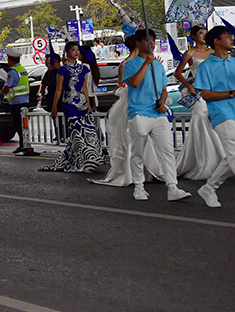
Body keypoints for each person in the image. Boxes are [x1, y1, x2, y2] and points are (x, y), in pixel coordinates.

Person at [123, 29, 191, 201]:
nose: (152, 43)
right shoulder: (130, 64)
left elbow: (163, 90)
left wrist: (162, 102)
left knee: (167, 150)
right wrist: (146, 63)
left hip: (157, 114)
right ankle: (139, 186)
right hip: (139, 113)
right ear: (138, 43)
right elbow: (135, 83)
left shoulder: (159, 66)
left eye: (153, 40)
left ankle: (172, 187)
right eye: (147, 40)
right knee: (138, 152)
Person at [91, 34, 165, 187]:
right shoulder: (128, 63)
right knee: (131, 138)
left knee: (144, 139)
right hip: (131, 104)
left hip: (146, 104)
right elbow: (122, 84)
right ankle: (135, 172)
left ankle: (148, 169)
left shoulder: (145, 62)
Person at [40, 41, 104, 173]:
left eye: (78, 50)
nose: (76, 52)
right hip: (69, 104)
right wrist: (54, 107)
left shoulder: (84, 69)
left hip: (83, 104)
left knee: (88, 131)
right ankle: (80, 161)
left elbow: (84, 88)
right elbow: (59, 89)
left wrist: (88, 105)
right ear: (67, 52)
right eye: (73, 50)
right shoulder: (62, 70)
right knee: (76, 132)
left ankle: (89, 158)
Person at [174, 25, 224, 180]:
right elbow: (177, 73)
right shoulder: (190, 53)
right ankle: (205, 162)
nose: (204, 35)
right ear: (194, 36)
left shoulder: (213, 52)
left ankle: (221, 160)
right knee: (202, 116)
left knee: (216, 119)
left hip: (214, 90)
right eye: (201, 33)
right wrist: (189, 85)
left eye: (205, 33)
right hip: (198, 91)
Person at [195, 25, 235, 207]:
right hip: (221, 113)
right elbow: (206, 94)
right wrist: (231, 93)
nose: (231, 38)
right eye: (227, 35)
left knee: (230, 157)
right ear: (217, 41)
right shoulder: (206, 67)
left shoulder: (234, 62)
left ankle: (209, 188)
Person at [2, 48, 39, 156]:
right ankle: (23, 144)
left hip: (16, 102)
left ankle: (24, 145)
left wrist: (4, 92)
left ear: (10, 60)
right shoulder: (22, 69)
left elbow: (7, 87)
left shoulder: (12, 72)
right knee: (24, 126)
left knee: (19, 125)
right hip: (24, 101)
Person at [39, 52, 64, 143]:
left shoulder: (63, 71)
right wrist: (40, 93)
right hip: (52, 99)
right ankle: (58, 134)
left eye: (49, 60)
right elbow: (44, 84)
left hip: (63, 99)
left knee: (63, 118)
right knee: (55, 118)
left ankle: (65, 135)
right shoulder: (49, 72)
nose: (47, 62)